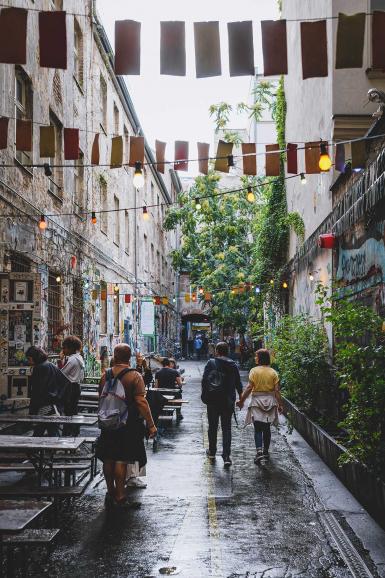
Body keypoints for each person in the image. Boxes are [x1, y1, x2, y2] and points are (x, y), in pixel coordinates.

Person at [96, 344, 157, 507]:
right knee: (121, 459)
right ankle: (121, 496)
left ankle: (110, 493)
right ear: (129, 357)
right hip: (126, 423)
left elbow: (100, 399)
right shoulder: (134, 376)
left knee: (108, 458)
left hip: (107, 421)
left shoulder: (105, 376)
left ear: (114, 356)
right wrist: (151, 424)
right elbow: (141, 402)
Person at [237, 349, 284, 465]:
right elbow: (277, 390)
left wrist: (241, 400)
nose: (255, 358)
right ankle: (266, 452)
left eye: (256, 356)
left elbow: (249, 388)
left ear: (260, 358)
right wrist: (280, 404)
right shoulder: (273, 372)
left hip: (257, 401)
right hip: (270, 401)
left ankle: (259, 452)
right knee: (267, 428)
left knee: (257, 428)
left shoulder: (254, 371)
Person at [201, 342, 243, 467]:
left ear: (217, 351)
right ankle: (226, 456)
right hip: (227, 401)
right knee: (226, 428)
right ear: (228, 351)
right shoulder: (233, 365)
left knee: (212, 427)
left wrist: (205, 396)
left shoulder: (211, 363)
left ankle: (212, 452)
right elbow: (238, 383)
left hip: (213, 400)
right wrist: (240, 398)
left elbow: (204, 380)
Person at [26, 346, 69, 437]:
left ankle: (35, 449)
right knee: (47, 430)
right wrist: (57, 398)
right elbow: (64, 382)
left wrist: (33, 409)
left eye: (29, 359)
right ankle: (36, 449)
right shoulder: (51, 365)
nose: (28, 362)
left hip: (45, 406)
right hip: (54, 406)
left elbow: (37, 391)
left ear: (35, 357)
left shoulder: (39, 368)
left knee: (45, 431)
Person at [60, 335, 85, 436]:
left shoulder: (72, 360)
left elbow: (62, 373)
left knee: (69, 411)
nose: (63, 350)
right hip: (76, 386)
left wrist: (60, 360)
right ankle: (73, 430)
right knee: (73, 410)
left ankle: (68, 431)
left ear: (70, 348)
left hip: (70, 387)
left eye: (64, 348)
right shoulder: (79, 358)